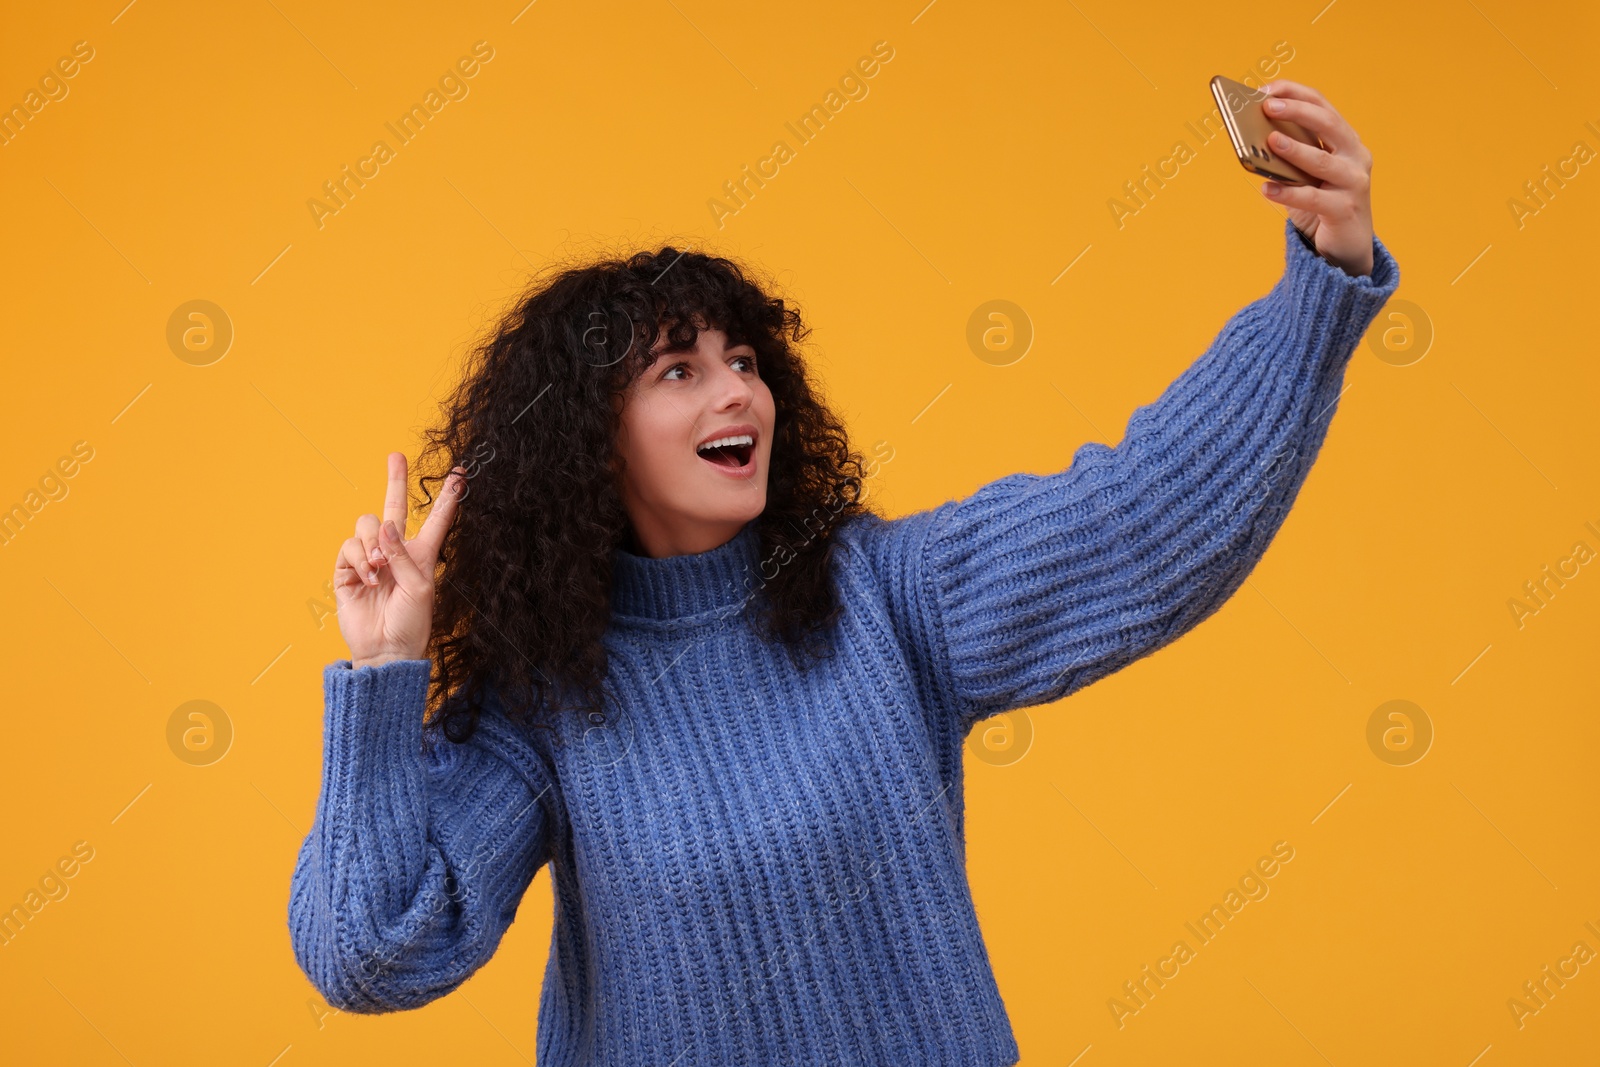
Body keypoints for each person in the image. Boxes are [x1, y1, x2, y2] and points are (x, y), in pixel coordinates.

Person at [287, 79, 1398, 1064]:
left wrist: (1325, 277)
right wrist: (385, 674)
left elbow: (1145, 516)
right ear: (590, 438)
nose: (738, 393)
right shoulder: (543, 699)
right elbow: (377, 950)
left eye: (744, 361)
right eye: (680, 368)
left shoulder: (885, 595)